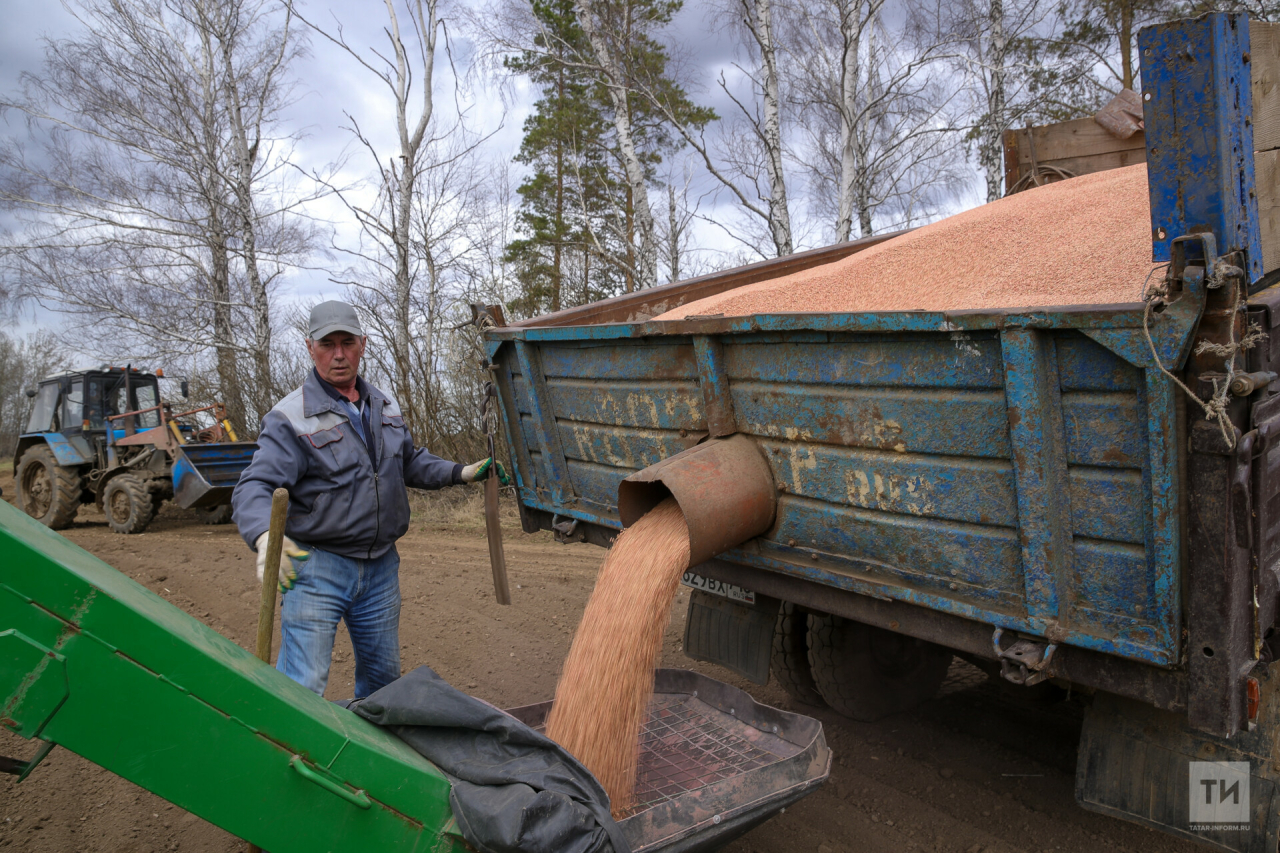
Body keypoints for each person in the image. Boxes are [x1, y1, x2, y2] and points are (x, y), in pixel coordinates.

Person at [231, 300, 507, 699]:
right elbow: (254, 485)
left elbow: (408, 462)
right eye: (327, 344)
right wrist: (263, 538)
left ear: (363, 344)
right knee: (300, 687)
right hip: (315, 569)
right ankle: (288, 757)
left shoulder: (384, 405)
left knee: (383, 686)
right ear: (310, 348)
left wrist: (459, 472)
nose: (338, 354)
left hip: (380, 569)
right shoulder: (290, 417)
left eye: (347, 342)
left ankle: (373, 758)